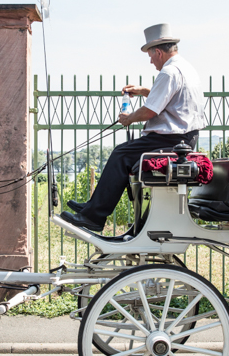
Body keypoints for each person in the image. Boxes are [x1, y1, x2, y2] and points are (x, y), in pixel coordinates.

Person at [61, 23, 206, 233]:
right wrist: (144, 91)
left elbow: (150, 111)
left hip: (170, 140)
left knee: (121, 154)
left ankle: (93, 217)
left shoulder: (169, 72)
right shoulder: (184, 67)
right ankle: (92, 208)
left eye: (150, 55)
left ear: (158, 51)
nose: (150, 60)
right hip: (184, 138)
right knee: (123, 153)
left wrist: (129, 118)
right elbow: (170, 97)